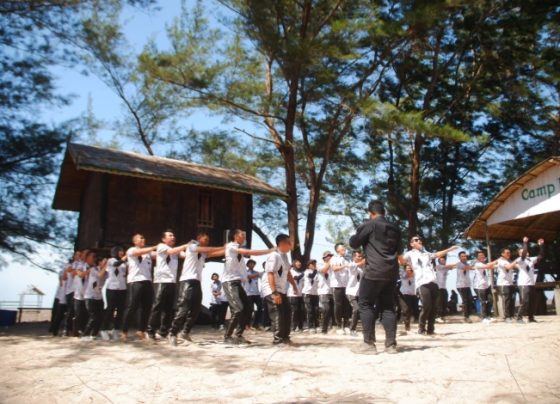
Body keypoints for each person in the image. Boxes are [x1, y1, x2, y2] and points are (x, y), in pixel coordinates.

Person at [349, 200, 402, 354]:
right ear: (384, 212)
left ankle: (369, 344)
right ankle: (391, 345)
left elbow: (354, 243)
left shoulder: (369, 224)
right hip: (391, 272)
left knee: (365, 304)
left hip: (373, 271)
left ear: (370, 213)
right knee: (388, 307)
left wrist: (358, 231)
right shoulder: (396, 228)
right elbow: (400, 249)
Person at [168, 233, 224, 346]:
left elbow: (213, 253)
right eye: (205, 239)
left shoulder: (202, 253)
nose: (207, 241)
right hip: (187, 281)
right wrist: (224, 247)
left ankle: (185, 332)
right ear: (199, 239)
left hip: (197, 282)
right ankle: (172, 333)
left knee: (196, 309)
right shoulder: (192, 246)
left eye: (208, 239)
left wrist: (228, 250)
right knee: (183, 308)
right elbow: (208, 249)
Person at [222, 229, 276, 345]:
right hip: (229, 282)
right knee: (238, 309)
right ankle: (227, 336)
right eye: (242, 234)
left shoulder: (237, 249)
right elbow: (251, 252)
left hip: (237, 283)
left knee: (248, 308)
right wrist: (270, 250)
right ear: (236, 236)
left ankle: (238, 335)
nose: (244, 236)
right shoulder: (231, 246)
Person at [401, 236, 458, 336]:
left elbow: (437, 254)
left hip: (433, 282)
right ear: (411, 244)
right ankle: (421, 328)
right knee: (426, 306)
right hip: (422, 283)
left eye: (419, 240)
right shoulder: (410, 254)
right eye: (416, 240)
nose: (419, 241)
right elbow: (401, 261)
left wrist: (449, 249)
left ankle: (431, 329)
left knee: (434, 307)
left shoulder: (426, 253)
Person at [148, 230, 191, 341]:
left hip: (171, 281)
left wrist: (194, 251)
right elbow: (172, 252)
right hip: (161, 281)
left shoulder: (175, 250)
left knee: (169, 308)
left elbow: (185, 255)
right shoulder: (161, 246)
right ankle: (150, 331)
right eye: (170, 235)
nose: (173, 237)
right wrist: (186, 245)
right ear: (163, 239)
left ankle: (163, 331)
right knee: (157, 306)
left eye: (173, 235)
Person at [262, 234, 299, 345]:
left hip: (282, 290)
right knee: (277, 313)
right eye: (289, 242)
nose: (290, 245)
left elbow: (288, 273)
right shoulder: (274, 255)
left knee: (287, 312)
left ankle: (285, 337)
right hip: (271, 289)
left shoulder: (284, 256)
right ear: (282, 243)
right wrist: (274, 292)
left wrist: (294, 286)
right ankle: (278, 340)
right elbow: (270, 273)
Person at [121, 234, 157, 342]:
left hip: (147, 281)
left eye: (143, 238)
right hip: (135, 281)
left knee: (147, 307)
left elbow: (160, 254)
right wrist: (154, 247)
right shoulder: (131, 250)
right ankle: (124, 331)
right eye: (140, 238)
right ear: (135, 241)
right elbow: (138, 253)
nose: (143, 239)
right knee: (132, 306)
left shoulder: (148, 253)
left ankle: (141, 330)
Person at [100, 246, 128, 341]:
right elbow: (116, 264)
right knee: (110, 309)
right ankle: (104, 329)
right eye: (120, 251)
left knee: (120, 310)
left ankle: (115, 330)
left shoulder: (125, 263)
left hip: (122, 287)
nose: (122, 252)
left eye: (123, 251)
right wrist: (125, 258)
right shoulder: (110, 260)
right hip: (111, 287)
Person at [515, 237, 545, 323]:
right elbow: (524, 253)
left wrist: (541, 245)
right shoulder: (520, 260)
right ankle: (519, 317)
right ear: (520, 254)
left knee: (532, 301)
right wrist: (525, 243)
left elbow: (541, 256)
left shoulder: (531, 259)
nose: (525, 252)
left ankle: (531, 317)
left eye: (526, 251)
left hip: (531, 283)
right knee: (525, 300)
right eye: (522, 252)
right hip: (523, 283)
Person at [82, 252, 107, 340]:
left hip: (99, 297)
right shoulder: (93, 270)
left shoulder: (106, 272)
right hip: (90, 297)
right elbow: (99, 275)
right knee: (94, 317)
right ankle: (85, 335)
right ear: (99, 262)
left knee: (100, 317)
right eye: (104, 262)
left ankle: (93, 335)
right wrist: (106, 266)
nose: (106, 263)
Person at [329, 243, 351, 335]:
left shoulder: (348, 258)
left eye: (344, 249)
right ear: (337, 250)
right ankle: (338, 326)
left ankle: (346, 325)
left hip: (347, 285)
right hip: (337, 285)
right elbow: (334, 269)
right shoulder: (334, 259)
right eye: (342, 249)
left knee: (347, 305)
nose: (344, 250)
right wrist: (345, 266)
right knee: (338, 305)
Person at [473, 251, 497, 324]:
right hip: (479, 286)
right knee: (483, 301)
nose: (482, 256)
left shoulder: (484, 264)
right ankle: (483, 317)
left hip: (486, 285)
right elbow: (488, 266)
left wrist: (498, 265)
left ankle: (488, 315)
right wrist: (497, 261)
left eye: (483, 255)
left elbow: (490, 266)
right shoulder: (477, 264)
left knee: (490, 300)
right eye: (480, 255)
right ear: (477, 258)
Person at [496, 248, 518, 323]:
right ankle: (506, 317)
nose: (509, 254)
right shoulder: (501, 261)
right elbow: (508, 267)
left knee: (512, 299)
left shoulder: (510, 261)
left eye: (509, 252)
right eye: (507, 253)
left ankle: (511, 315)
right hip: (503, 283)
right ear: (502, 254)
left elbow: (516, 266)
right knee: (507, 299)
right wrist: (516, 261)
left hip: (510, 283)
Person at [72, 249, 90, 337]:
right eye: (85, 254)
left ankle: (83, 329)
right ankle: (75, 331)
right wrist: (89, 271)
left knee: (85, 313)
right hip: (78, 292)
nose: (85, 256)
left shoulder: (88, 265)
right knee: (77, 313)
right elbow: (79, 274)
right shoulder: (77, 264)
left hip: (86, 292)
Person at [346, 251, 364, 337]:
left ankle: (365, 329)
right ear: (353, 257)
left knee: (363, 310)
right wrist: (364, 261)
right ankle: (352, 329)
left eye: (361, 256)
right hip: (351, 292)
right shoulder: (351, 265)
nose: (360, 258)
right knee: (356, 309)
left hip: (360, 293)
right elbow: (358, 264)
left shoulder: (362, 268)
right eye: (358, 256)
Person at [455, 251, 475, 323]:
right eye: (462, 256)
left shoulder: (467, 263)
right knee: (465, 300)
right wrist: (475, 265)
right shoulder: (459, 264)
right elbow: (467, 268)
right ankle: (466, 317)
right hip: (460, 285)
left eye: (465, 256)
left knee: (470, 299)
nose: (464, 257)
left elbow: (470, 267)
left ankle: (468, 315)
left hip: (467, 285)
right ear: (459, 257)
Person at [318, 251, 335, 334]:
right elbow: (324, 270)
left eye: (331, 256)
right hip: (323, 291)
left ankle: (333, 327)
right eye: (328, 256)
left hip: (332, 291)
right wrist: (330, 262)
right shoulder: (319, 264)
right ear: (324, 258)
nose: (330, 257)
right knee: (326, 310)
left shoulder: (332, 266)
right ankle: (324, 329)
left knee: (333, 311)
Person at [244, 259, 264, 330]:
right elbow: (249, 277)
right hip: (248, 293)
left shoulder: (256, 272)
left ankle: (256, 324)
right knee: (249, 310)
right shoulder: (245, 272)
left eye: (253, 264)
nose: (252, 265)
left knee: (260, 307)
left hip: (256, 293)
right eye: (250, 263)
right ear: (247, 265)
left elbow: (262, 276)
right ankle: (247, 324)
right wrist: (258, 274)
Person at [398, 264, 418, 335]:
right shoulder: (403, 273)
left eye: (410, 268)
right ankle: (407, 325)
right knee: (405, 309)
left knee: (411, 309)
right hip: (403, 293)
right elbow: (407, 275)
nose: (409, 269)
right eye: (407, 268)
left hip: (412, 294)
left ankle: (410, 322)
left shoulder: (416, 274)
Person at [50, 263, 68, 337]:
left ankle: (65, 330)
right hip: (60, 296)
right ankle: (54, 329)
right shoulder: (62, 271)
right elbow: (61, 280)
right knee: (57, 314)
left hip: (68, 295)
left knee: (67, 314)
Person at [302, 260, 319, 333]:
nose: (314, 265)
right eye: (312, 264)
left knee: (316, 310)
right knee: (310, 310)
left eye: (315, 264)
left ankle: (317, 325)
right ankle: (311, 326)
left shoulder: (317, 272)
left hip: (315, 293)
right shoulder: (306, 271)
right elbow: (311, 276)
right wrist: (316, 270)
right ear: (309, 265)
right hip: (307, 293)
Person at [435, 257, 454, 323]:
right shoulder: (438, 266)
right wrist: (458, 264)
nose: (443, 261)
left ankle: (442, 316)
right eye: (442, 260)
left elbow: (451, 267)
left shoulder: (445, 268)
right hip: (438, 287)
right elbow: (449, 266)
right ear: (439, 262)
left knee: (444, 302)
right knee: (439, 302)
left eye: (444, 260)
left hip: (444, 287)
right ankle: (438, 316)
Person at [288, 259, 305, 333]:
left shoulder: (301, 272)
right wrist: (304, 274)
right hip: (292, 294)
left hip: (300, 294)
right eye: (297, 262)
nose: (299, 263)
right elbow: (296, 278)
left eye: (300, 262)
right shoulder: (291, 271)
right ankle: (293, 327)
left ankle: (300, 326)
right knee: (294, 311)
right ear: (294, 264)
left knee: (301, 310)